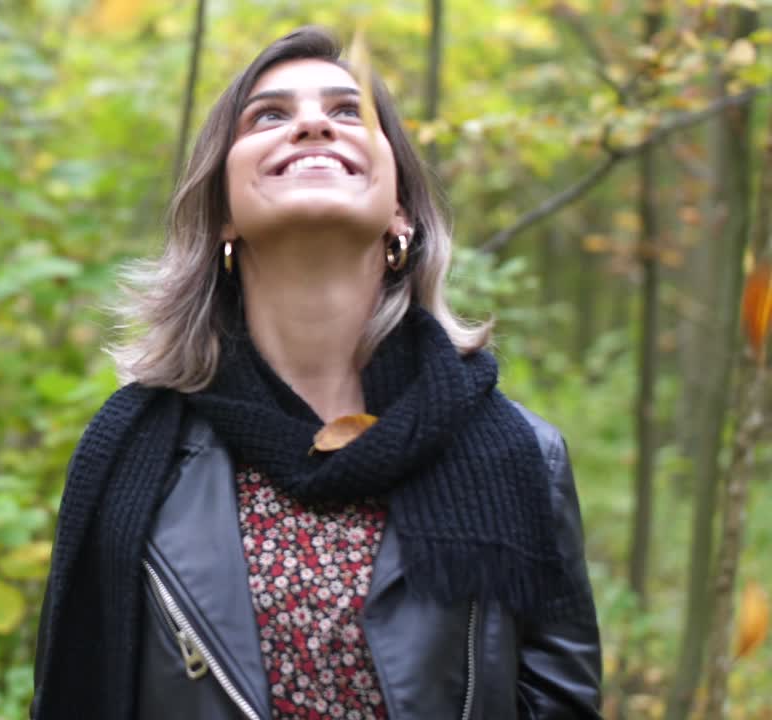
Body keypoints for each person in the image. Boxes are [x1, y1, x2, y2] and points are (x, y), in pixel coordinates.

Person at [31, 25, 602, 720]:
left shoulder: (522, 455)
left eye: (348, 112)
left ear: (401, 213)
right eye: (269, 116)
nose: (311, 125)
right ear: (222, 216)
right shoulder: (129, 455)